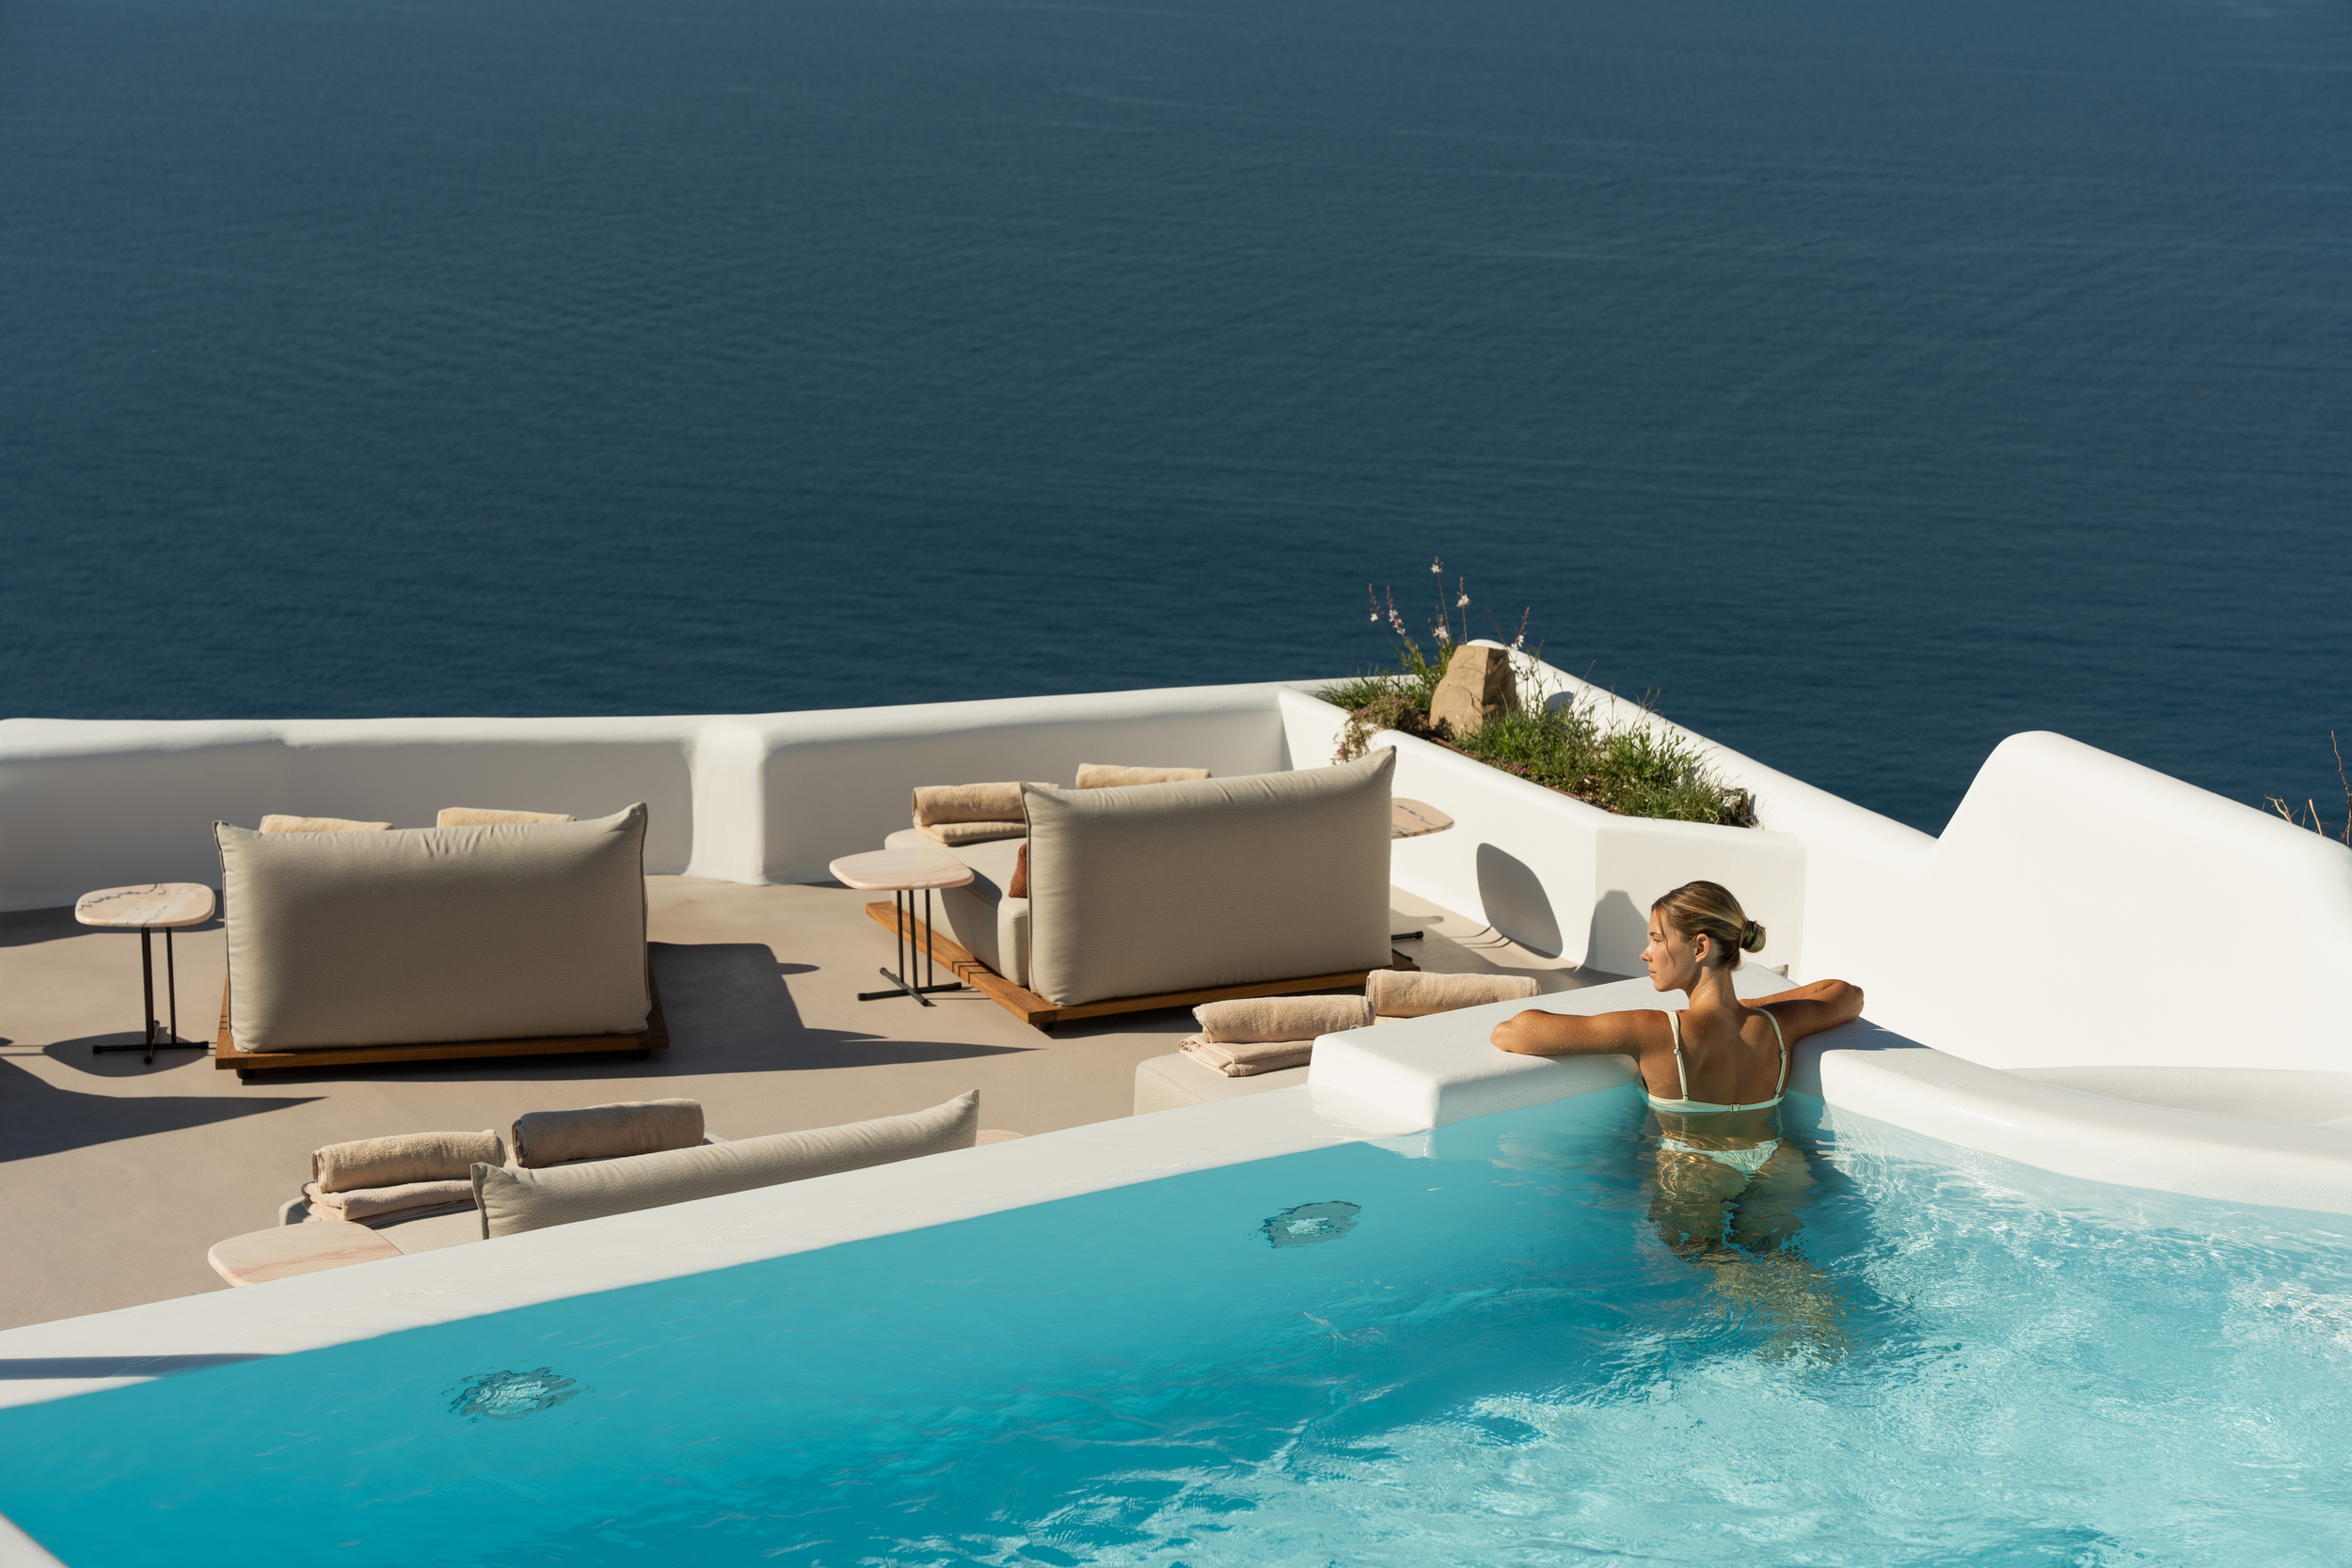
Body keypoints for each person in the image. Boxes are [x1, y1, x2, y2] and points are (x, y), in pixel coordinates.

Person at [1492, 881, 1864, 1347]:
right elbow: (1846, 994)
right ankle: (1823, 1325)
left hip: (1695, 1165)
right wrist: (1741, 1008)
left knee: (1708, 1262)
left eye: (1657, 939)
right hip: (1778, 1161)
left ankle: (1782, 1338)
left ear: (1700, 946)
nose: (1645, 953)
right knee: (1780, 1259)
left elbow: (1515, 1031)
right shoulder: (1777, 1025)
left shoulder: (1654, 1030)